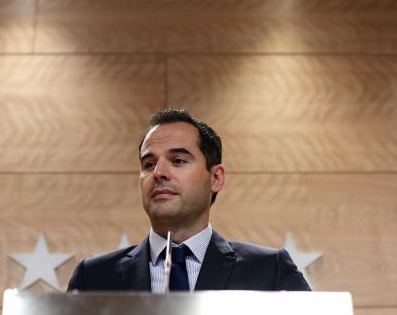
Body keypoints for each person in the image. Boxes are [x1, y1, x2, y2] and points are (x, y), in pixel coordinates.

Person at [67, 108, 310, 292]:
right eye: (148, 164)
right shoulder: (93, 277)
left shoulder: (270, 270)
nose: (158, 173)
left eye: (178, 161)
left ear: (215, 178)